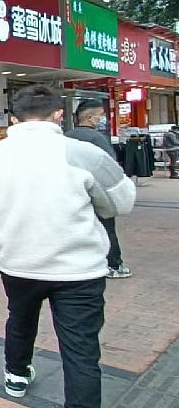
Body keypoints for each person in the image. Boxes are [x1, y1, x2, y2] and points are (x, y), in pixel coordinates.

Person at [0, 85, 135, 408]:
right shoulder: (84, 154)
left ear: (13, 118)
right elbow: (121, 202)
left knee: (20, 318)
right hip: (77, 271)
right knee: (80, 350)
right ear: (59, 115)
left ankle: (15, 375)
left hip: (16, 264)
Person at [66, 100, 130, 279]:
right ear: (89, 117)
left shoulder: (66, 136)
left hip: (72, 191)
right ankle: (113, 265)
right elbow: (110, 166)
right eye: (101, 115)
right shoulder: (97, 138)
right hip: (96, 191)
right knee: (107, 228)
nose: (103, 119)